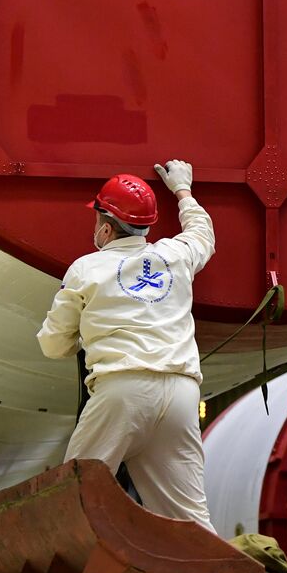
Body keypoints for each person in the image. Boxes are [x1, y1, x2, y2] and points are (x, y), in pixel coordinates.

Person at [36, 160, 215, 531]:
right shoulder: (175, 256)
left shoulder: (86, 270)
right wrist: (183, 189)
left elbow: (53, 345)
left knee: (74, 498)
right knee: (190, 521)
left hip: (122, 392)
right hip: (182, 395)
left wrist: (84, 334)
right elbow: (202, 234)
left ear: (105, 227)